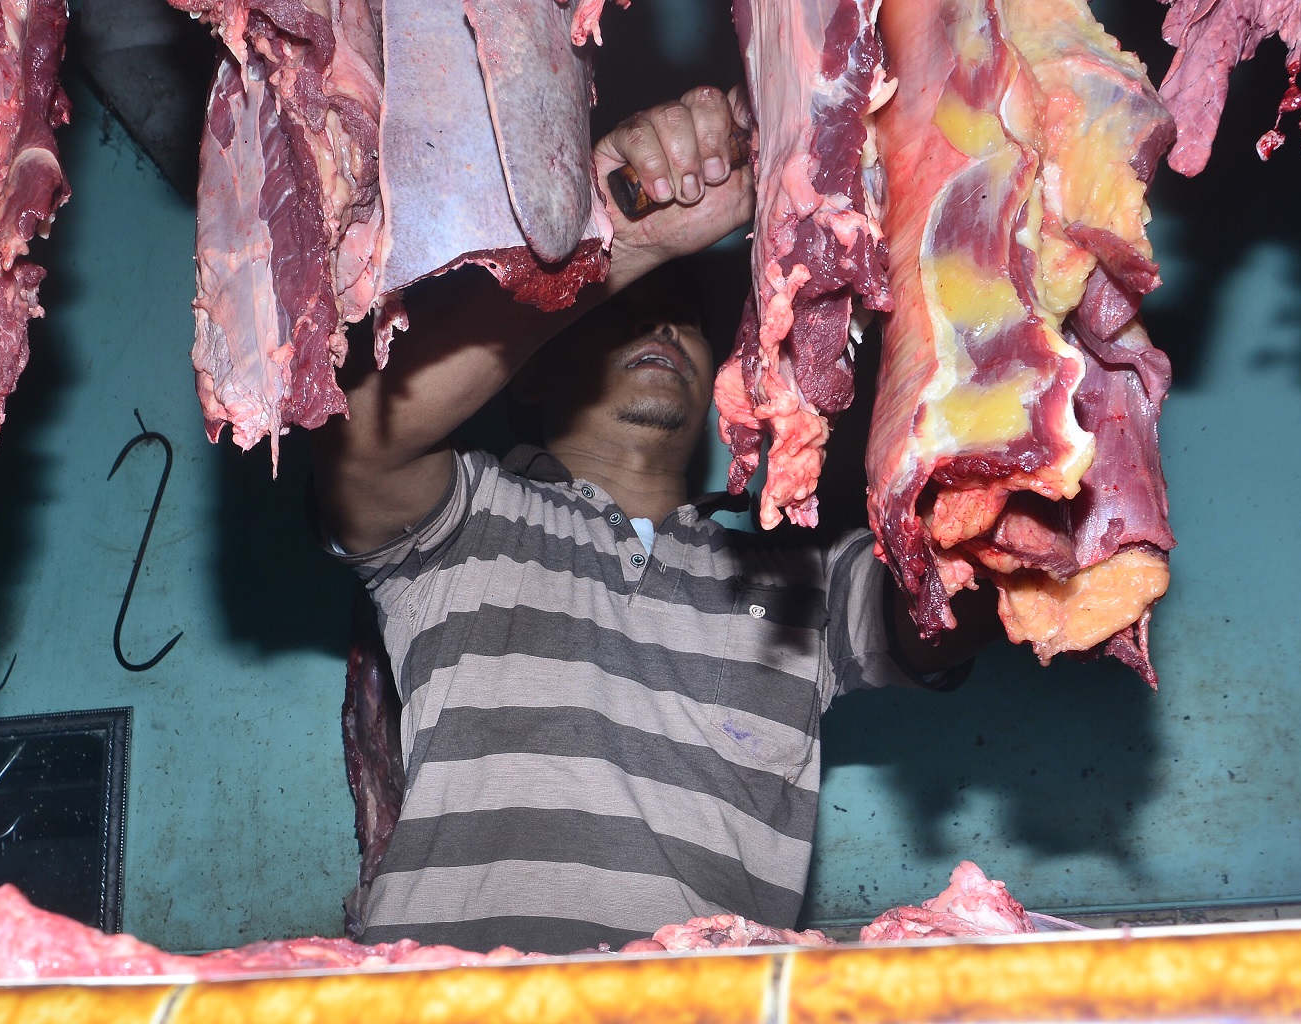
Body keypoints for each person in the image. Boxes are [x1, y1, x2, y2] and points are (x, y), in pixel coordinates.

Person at [310, 86, 998, 954]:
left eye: (685, 318)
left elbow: (946, 607)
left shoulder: (797, 582)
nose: (659, 325)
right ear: (526, 375)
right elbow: (358, 450)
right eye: (620, 309)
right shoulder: (462, 526)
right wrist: (618, 239)